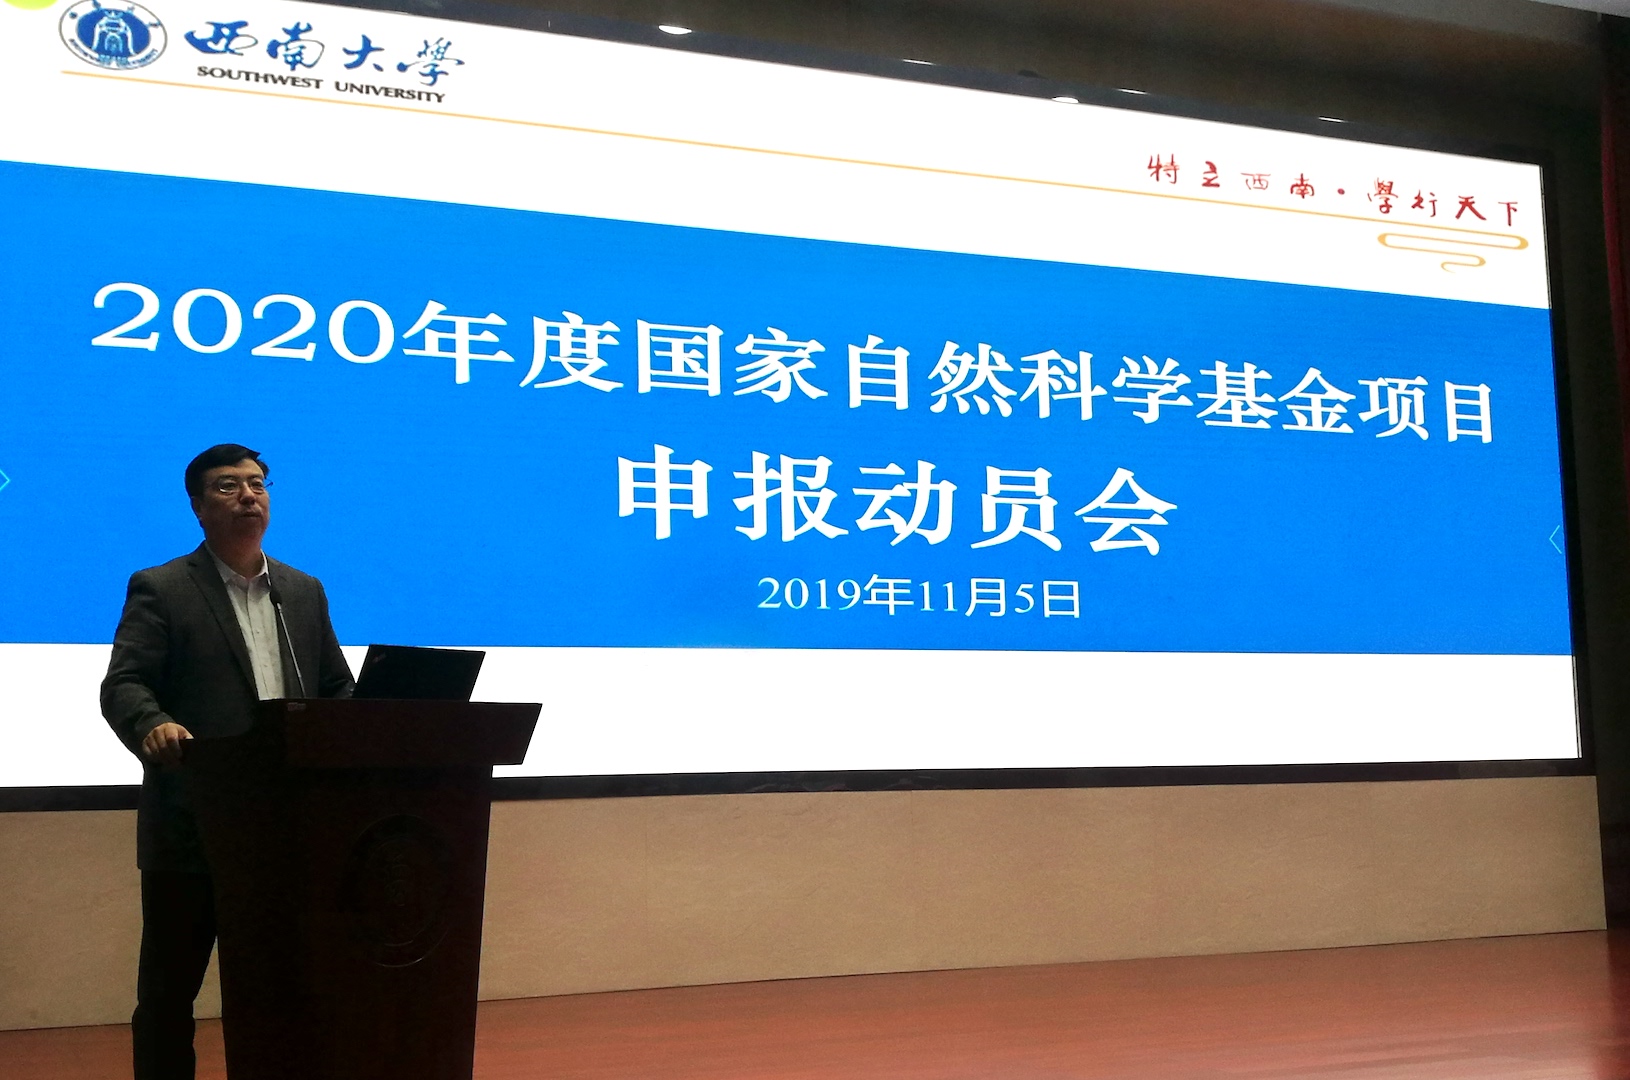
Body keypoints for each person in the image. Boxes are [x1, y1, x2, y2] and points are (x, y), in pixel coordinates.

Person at [101, 444, 354, 1080]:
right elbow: (125, 684)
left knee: (278, 990)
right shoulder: (163, 587)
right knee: (168, 994)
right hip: (193, 825)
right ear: (197, 506)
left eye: (258, 484)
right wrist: (152, 724)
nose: (248, 495)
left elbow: (336, 689)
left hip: (284, 831)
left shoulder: (303, 591)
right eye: (228, 486)